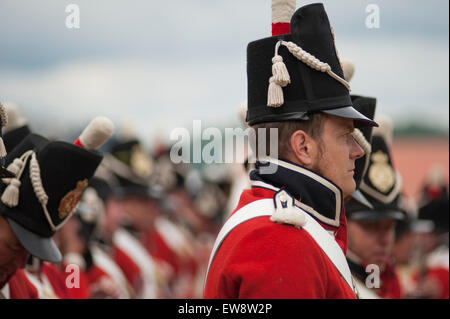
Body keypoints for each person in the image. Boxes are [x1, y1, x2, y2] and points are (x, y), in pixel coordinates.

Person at [204, 3, 377, 299]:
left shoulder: (289, 229)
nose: (356, 150)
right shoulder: (281, 241)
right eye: (345, 136)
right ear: (303, 147)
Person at [0, 132, 103, 297]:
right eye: (15, 245)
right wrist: (73, 259)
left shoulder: (47, 272)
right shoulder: (22, 278)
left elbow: (74, 293)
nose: (21, 262)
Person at [345, 119, 405, 299]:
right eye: (370, 226)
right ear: (344, 222)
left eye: (389, 226)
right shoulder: (335, 279)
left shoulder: (388, 278)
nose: (385, 239)